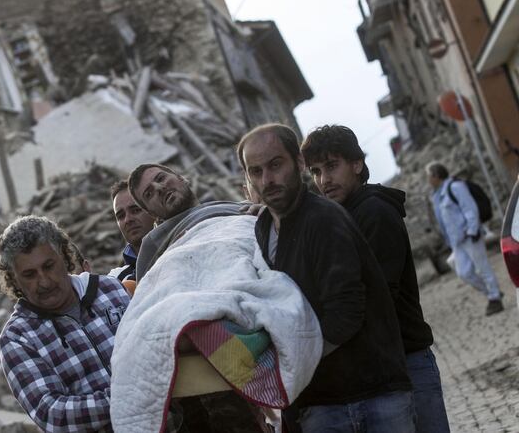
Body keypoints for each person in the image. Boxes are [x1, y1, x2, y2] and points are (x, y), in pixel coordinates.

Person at [237, 123, 414, 433]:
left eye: (276, 165)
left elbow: (345, 315)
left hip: (369, 398)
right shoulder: (263, 228)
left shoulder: (324, 218)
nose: (267, 179)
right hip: (318, 404)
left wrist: (288, 365)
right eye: (255, 171)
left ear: (299, 163)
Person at [302, 124, 450, 432]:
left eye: (332, 166)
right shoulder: (343, 217)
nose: (324, 180)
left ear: (357, 164)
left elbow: (376, 297)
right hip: (384, 367)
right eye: (316, 171)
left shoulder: (374, 211)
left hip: (407, 362)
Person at [127, 163, 270, 433]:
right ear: (150, 212)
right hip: (208, 350)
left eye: (161, 178)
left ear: (180, 177)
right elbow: (157, 304)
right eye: (149, 193)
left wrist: (266, 218)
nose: (159, 188)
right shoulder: (154, 246)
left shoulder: (233, 209)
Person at [0, 215, 130, 433]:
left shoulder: (110, 290)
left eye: (49, 266)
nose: (44, 282)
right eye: (29, 275)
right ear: (14, 279)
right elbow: (52, 414)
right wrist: (131, 396)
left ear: (64, 257)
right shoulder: (18, 338)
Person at [427, 161, 504, 316]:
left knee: (483, 267)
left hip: (469, 235)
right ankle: (492, 291)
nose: (428, 180)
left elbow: (470, 209)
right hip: (456, 242)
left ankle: (494, 297)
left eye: (429, 176)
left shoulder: (455, 187)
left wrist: (473, 230)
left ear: (436, 176)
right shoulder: (437, 195)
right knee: (463, 272)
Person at [108, 180, 156, 282]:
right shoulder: (117, 281)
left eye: (135, 210)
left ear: (153, 209)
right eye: (121, 216)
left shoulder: (181, 247)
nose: (127, 220)